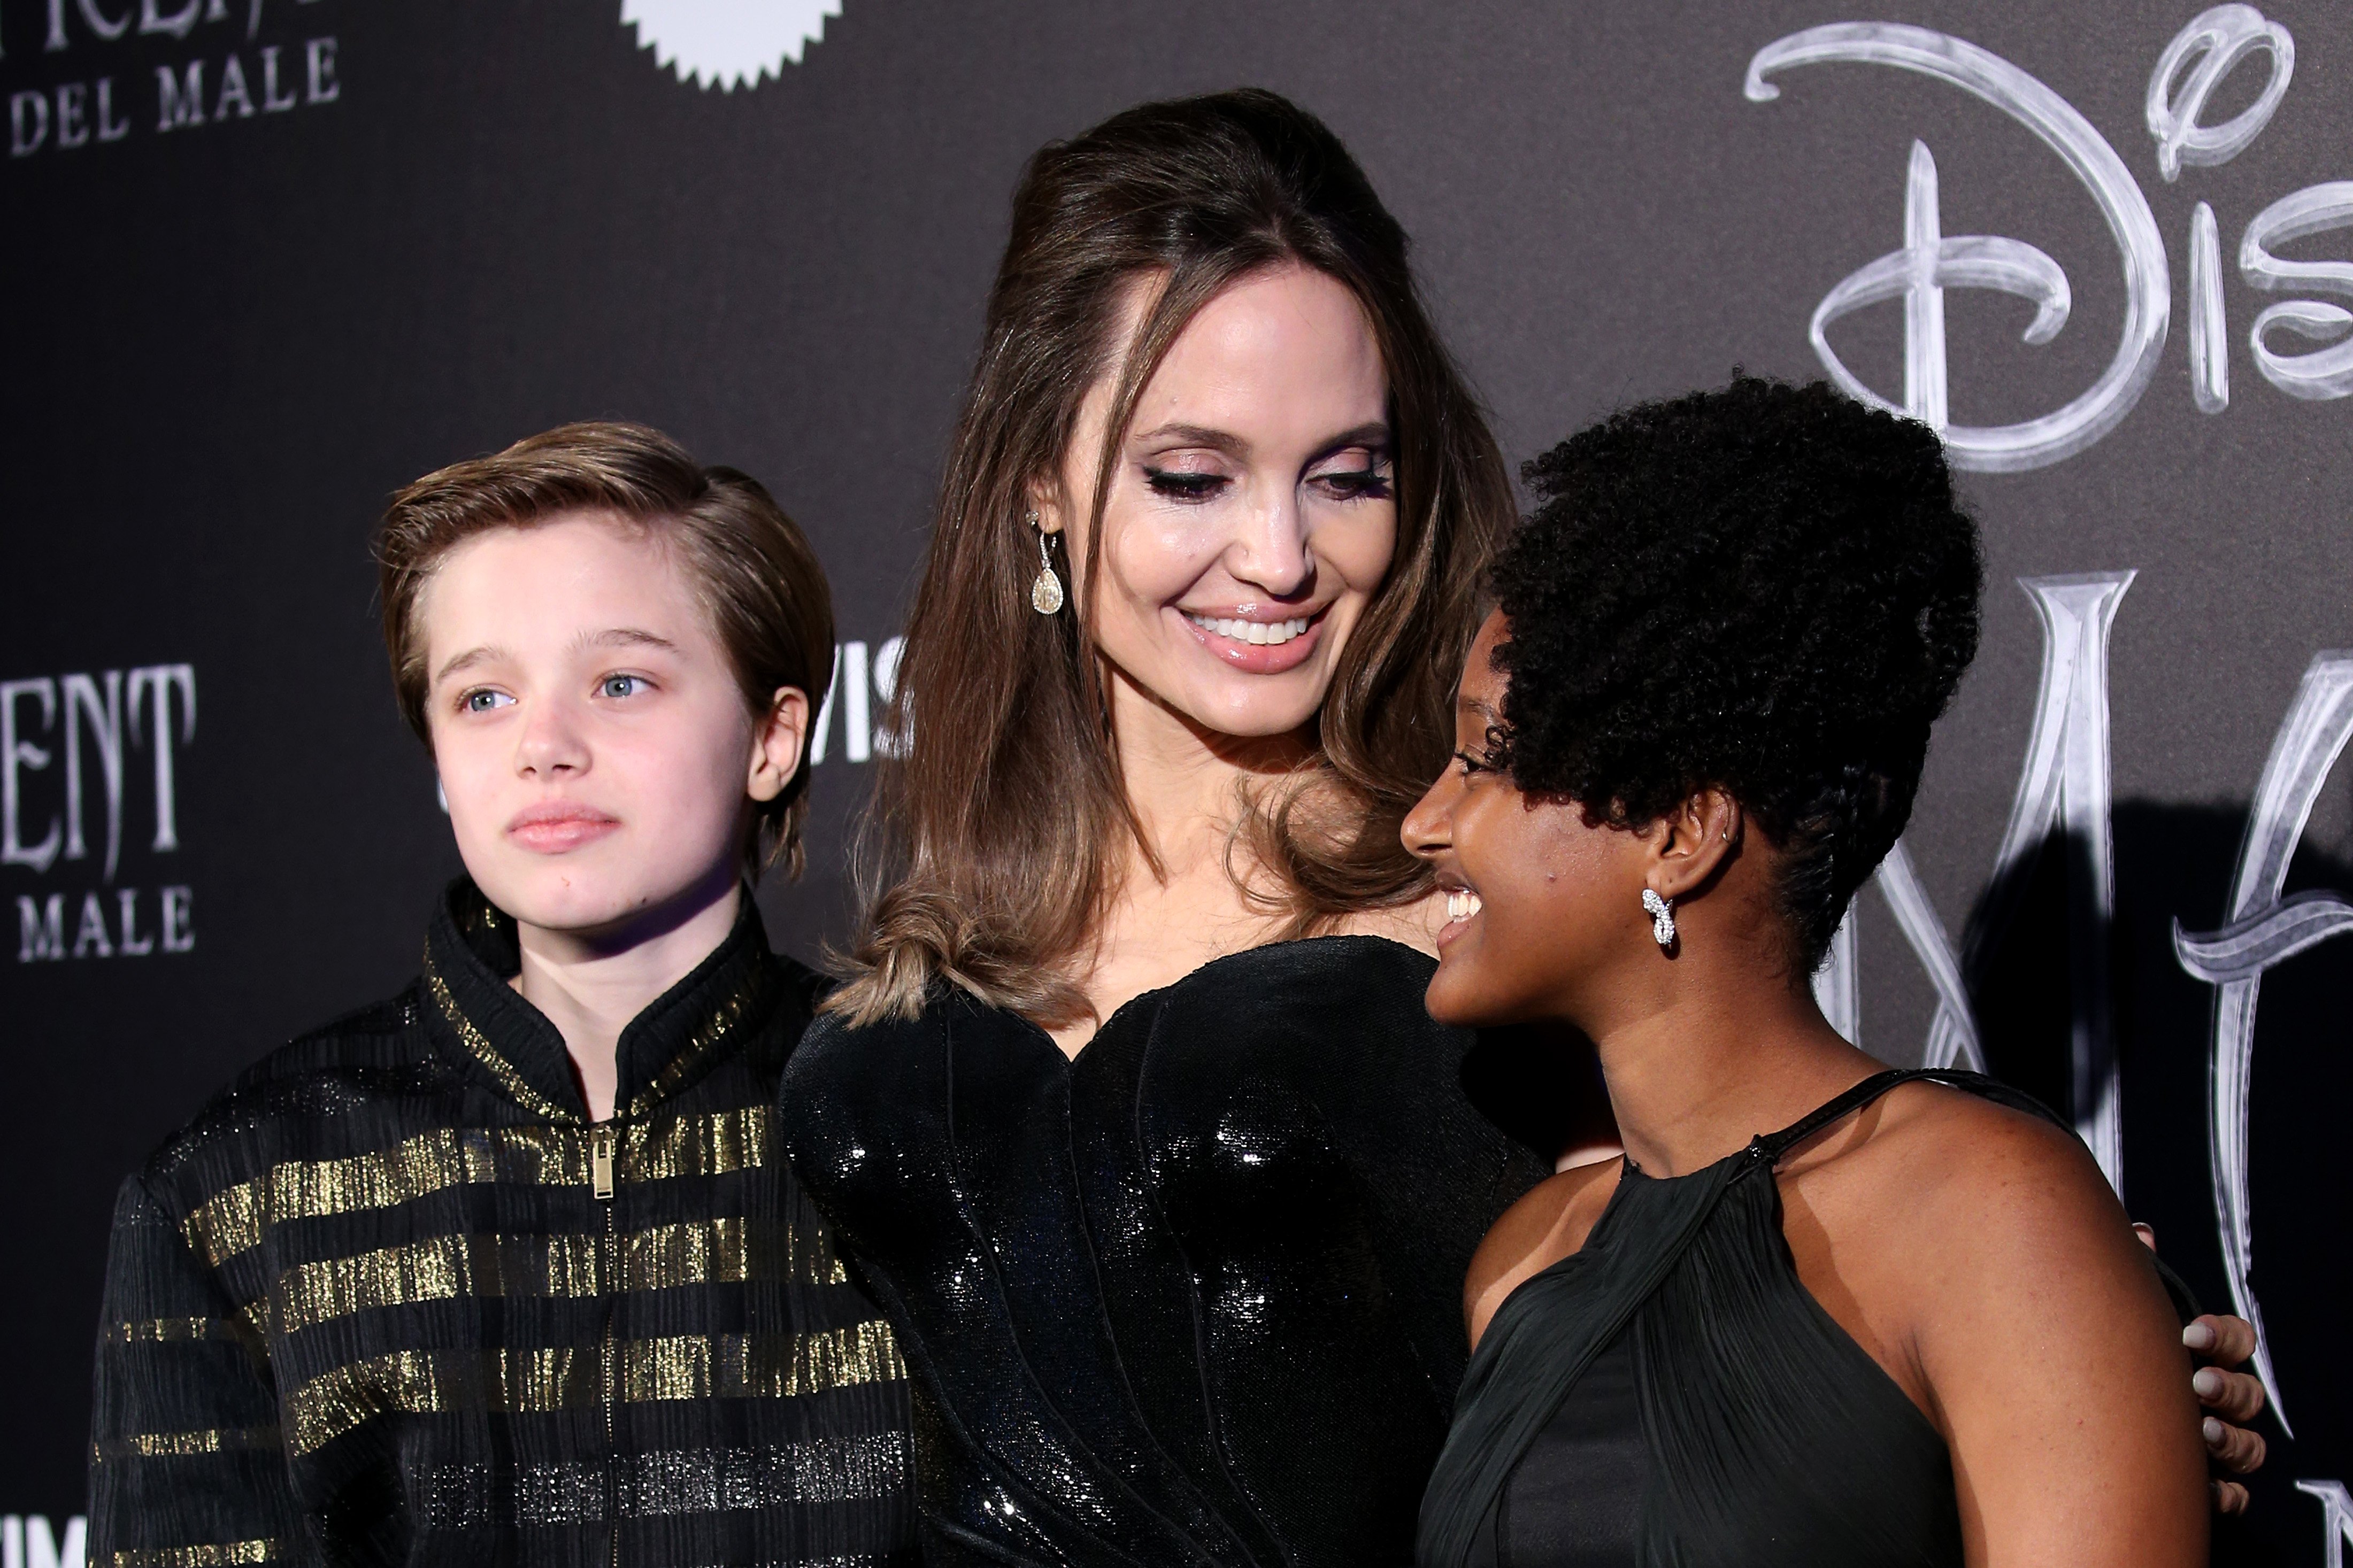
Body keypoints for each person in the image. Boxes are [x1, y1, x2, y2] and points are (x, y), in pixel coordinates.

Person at [776, 95, 2264, 1567]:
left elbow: (1786, 1305)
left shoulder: (1507, 910)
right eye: (1192, 475)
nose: (1281, 556)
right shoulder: (942, 931)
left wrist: (2098, 1359)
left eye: (1348, 472)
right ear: (1041, 479)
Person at [1408, 378, 2242, 1568]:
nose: (1424, 824)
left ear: (1680, 834)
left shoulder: (1983, 1212)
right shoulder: (1524, 1264)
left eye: (1484, 760)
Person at [88, 424, 916, 1565]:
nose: (544, 746)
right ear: (435, 753)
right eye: (481, 698)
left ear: (771, 739)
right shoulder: (238, 1190)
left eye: (620, 682)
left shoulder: (930, 1128)